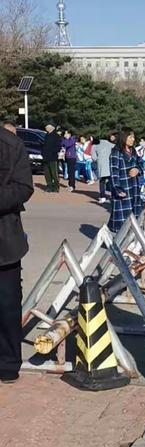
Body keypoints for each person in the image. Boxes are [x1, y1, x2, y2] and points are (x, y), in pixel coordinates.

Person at [0, 123, 34, 383]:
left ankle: (8, 364)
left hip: (5, 242)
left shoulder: (11, 145)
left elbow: (24, 187)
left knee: (8, 305)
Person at [108, 128, 145, 233]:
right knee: (122, 221)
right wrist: (117, 189)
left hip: (135, 188)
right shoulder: (116, 153)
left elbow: (141, 164)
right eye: (130, 137)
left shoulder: (133, 151)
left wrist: (137, 170)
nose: (133, 139)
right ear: (123, 137)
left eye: (133, 137)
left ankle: (133, 242)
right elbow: (113, 173)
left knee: (135, 218)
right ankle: (116, 242)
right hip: (123, 189)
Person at [92, 132, 116, 204]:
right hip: (110, 165)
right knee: (112, 182)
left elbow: (94, 157)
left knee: (102, 182)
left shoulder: (95, 145)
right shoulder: (111, 144)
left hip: (101, 165)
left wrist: (98, 159)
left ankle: (103, 197)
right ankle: (113, 196)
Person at [42, 123, 62, 193]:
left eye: (47, 127)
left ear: (51, 128)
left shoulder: (56, 136)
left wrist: (53, 151)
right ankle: (49, 186)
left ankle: (56, 187)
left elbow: (58, 146)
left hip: (53, 157)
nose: (46, 128)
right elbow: (44, 145)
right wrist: (43, 153)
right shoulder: (46, 135)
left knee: (54, 173)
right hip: (45, 157)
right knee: (47, 173)